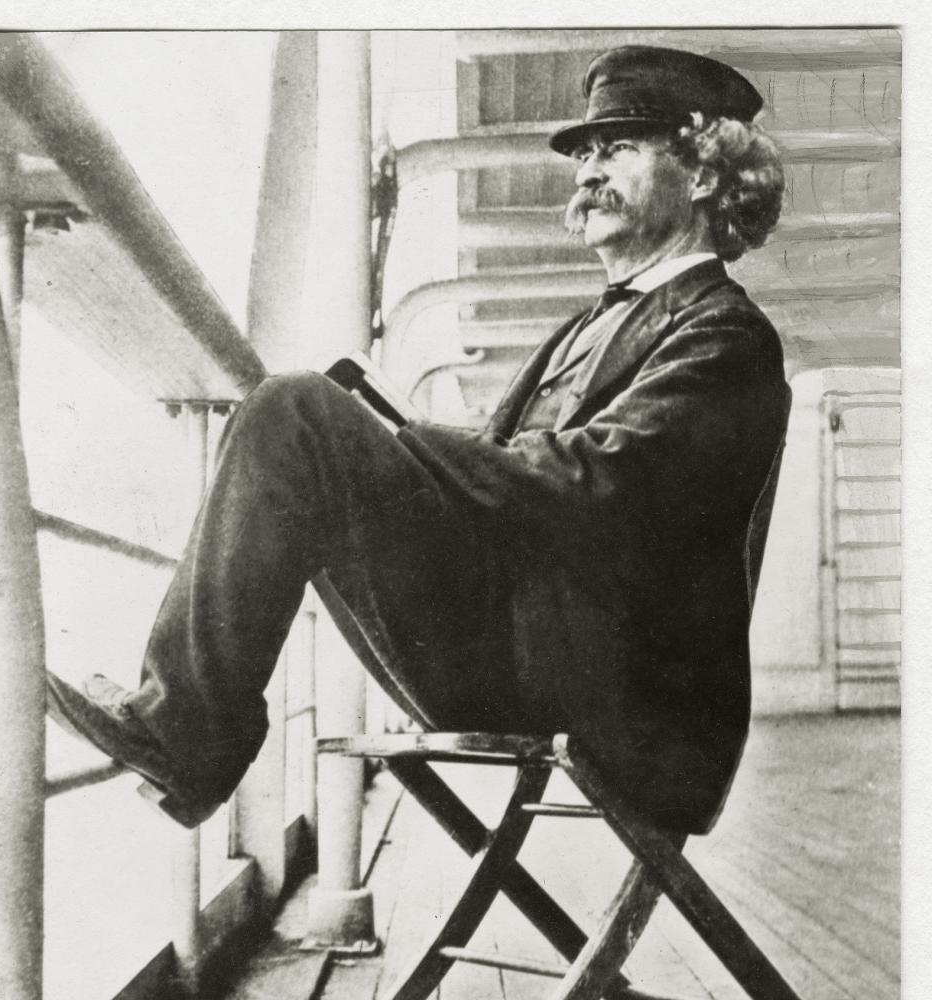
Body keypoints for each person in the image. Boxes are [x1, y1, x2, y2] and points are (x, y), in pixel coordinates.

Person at [48, 45, 791, 835]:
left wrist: (404, 434)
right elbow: (513, 478)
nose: (586, 173)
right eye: (583, 154)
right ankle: (183, 727)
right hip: (533, 650)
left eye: (618, 148)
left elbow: (600, 486)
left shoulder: (726, 334)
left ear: (705, 173)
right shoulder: (592, 323)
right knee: (295, 416)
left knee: (296, 413)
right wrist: (384, 438)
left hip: (625, 699)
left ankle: (184, 734)